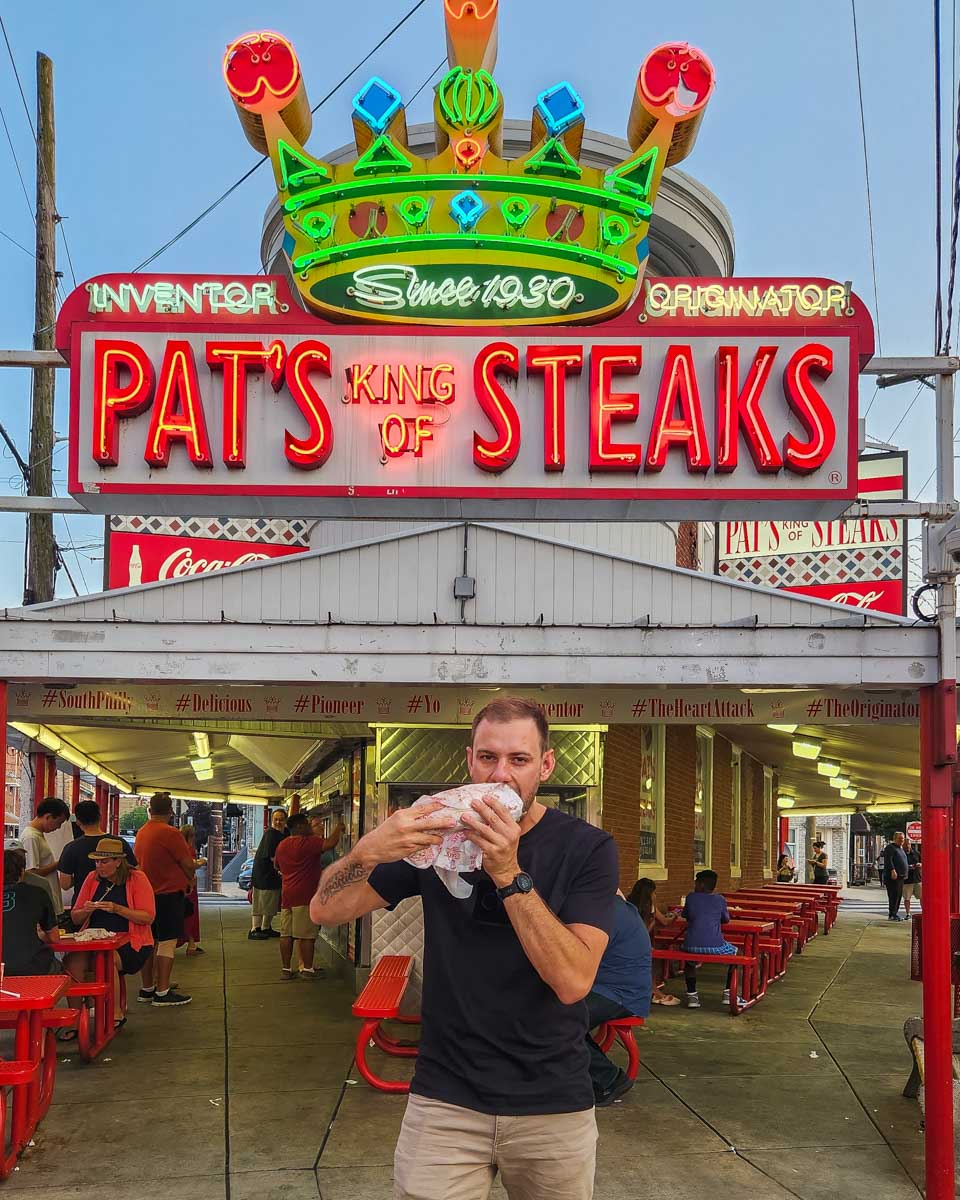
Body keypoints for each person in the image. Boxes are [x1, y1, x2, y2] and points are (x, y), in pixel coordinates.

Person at [309, 696, 618, 1200]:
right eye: (488, 758)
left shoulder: (587, 848)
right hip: (444, 1097)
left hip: (552, 1100)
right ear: (469, 760)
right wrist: (368, 849)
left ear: (546, 766)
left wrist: (506, 871)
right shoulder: (434, 831)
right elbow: (325, 910)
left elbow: (573, 981)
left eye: (518, 760)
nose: (500, 776)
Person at [65, 837, 156, 1027]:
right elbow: (75, 917)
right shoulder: (92, 878)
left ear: (118, 862)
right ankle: (73, 1018)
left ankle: (114, 1012)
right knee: (71, 962)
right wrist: (87, 910)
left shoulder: (137, 878)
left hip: (131, 941)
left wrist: (117, 908)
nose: (99, 866)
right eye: (97, 861)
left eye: (104, 861)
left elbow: (148, 917)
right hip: (93, 939)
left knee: (107, 959)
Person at [584, 893, 652, 1106]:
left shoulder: (604, 910)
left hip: (621, 994)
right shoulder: (611, 904)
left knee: (556, 1020)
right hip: (610, 987)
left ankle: (608, 1078)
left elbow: (577, 957)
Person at [134, 792, 196, 1006]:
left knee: (149, 942)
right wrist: (192, 879)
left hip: (146, 895)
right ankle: (163, 991)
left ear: (150, 810)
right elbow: (187, 863)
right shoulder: (171, 833)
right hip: (169, 895)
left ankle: (147, 987)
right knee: (167, 943)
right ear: (170, 812)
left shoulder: (142, 832)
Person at [274, 813, 341, 979]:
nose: (309, 828)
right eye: (307, 825)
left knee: (286, 934)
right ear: (299, 827)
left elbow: (277, 865)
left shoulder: (282, 845)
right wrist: (339, 828)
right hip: (304, 895)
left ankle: (286, 970)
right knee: (306, 935)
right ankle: (307, 969)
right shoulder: (308, 842)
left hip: (287, 895)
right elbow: (331, 843)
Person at [58, 799, 136, 902]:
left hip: (84, 904)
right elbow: (134, 871)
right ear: (100, 817)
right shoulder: (118, 843)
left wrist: (80, 878)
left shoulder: (71, 848)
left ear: (78, 821)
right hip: (119, 903)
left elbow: (65, 884)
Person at [681, 869, 738, 1009]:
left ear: (701, 885)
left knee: (689, 961)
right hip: (715, 945)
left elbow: (686, 915)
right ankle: (728, 993)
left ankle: (692, 996)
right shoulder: (720, 899)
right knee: (735, 952)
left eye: (695, 882)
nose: (694, 884)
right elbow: (726, 920)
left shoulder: (690, 897)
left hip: (691, 945)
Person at [1, 848, 60, 976]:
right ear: (22, 871)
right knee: (64, 971)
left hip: (3, 970)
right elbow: (54, 938)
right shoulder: (38, 893)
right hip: (33, 966)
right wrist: (37, 934)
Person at [626, 877, 680, 1006]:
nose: (656, 895)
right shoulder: (648, 907)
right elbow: (643, 931)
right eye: (654, 893)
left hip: (626, 942)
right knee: (648, 962)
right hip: (638, 943)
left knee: (649, 962)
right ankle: (654, 992)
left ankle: (653, 989)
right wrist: (658, 920)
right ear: (649, 893)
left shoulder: (628, 903)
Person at [22, 796, 71, 915]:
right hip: (40, 901)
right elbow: (31, 872)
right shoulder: (31, 837)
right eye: (58, 823)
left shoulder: (37, 835)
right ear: (48, 816)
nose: (58, 827)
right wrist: (58, 864)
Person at [249, 808, 287, 939]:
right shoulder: (271, 834)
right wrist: (282, 868)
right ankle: (255, 929)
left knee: (271, 902)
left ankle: (266, 927)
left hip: (272, 875)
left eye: (281, 819)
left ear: (285, 820)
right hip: (263, 875)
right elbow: (271, 856)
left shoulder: (284, 833)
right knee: (261, 902)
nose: (278, 822)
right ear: (272, 820)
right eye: (276, 819)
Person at [177, 825, 205, 955]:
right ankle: (191, 943)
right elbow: (191, 865)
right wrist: (202, 861)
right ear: (191, 836)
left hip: (181, 885)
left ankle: (191, 942)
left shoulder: (178, 849)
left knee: (185, 913)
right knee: (190, 914)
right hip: (189, 886)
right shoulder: (189, 849)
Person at [882, 832, 910, 922]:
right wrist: (892, 870)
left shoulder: (901, 848)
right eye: (899, 839)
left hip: (901, 876)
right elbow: (888, 860)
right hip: (893, 877)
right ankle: (892, 914)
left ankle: (895, 913)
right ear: (895, 839)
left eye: (902, 839)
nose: (901, 840)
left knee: (898, 895)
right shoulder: (890, 848)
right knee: (893, 895)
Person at [903, 841, 922, 917]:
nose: (907, 846)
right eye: (906, 845)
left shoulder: (916, 853)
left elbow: (922, 861)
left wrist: (920, 864)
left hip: (917, 878)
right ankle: (908, 913)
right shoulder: (902, 854)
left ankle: (924, 911)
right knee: (907, 897)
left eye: (909, 844)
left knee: (921, 896)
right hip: (907, 880)